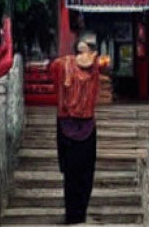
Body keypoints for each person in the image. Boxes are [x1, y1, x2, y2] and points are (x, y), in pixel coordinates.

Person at [50, 36, 104, 224]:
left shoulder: (90, 67)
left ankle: (77, 213)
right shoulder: (64, 65)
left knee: (81, 174)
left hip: (78, 124)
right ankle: (74, 214)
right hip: (70, 123)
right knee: (75, 174)